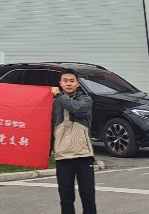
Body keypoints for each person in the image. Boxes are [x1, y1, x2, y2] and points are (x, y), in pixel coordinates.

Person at [51, 71, 96, 214]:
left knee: (88, 197)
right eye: (65, 81)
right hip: (62, 155)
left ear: (77, 83)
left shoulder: (86, 100)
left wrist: (59, 96)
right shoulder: (53, 102)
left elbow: (78, 109)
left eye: (72, 81)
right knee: (66, 198)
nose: (68, 83)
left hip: (83, 155)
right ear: (60, 83)